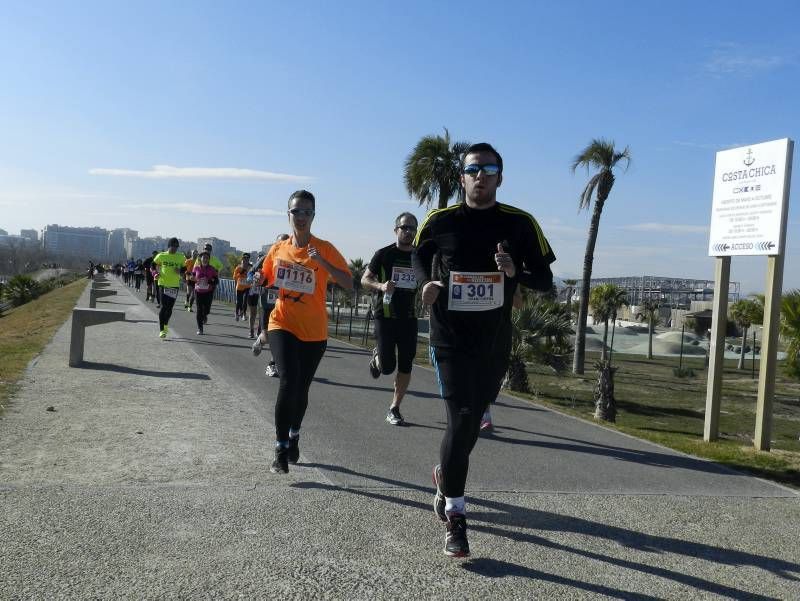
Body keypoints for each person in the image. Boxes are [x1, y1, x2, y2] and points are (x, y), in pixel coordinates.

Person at [412, 143, 555, 558]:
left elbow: (545, 280)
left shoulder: (520, 224)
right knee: (460, 418)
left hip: (493, 343)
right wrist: (426, 284)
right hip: (450, 338)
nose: (481, 176)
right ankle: (457, 516)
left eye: (489, 169)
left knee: (471, 423)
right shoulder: (441, 221)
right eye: (473, 169)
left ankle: (444, 474)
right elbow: (420, 258)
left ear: (500, 177)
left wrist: (516, 272)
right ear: (462, 177)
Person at [259, 190, 352, 474]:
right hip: (282, 322)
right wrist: (258, 278)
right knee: (288, 380)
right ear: (288, 214)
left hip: (313, 331)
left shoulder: (324, 248)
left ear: (313, 215)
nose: (301, 217)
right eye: (296, 211)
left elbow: (349, 283)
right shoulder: (278, 249)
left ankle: (294, 434)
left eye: (306, 212)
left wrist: (321, 262)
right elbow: (265, 278)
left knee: (301, 389)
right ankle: (279, 448)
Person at [362, 212, 420, 426]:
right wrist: (381, 286)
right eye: (404, 227)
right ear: (396, 230)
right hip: (385, 314)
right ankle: (378, 356)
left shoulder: (419, 255)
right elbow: (364, 279)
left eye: (412, 228)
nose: (408, 232)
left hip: (409, 317)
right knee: (387, 367)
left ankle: (394, 408)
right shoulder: (384, 254)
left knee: (406, 364)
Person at [252, 235, 290, 377]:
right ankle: (260, 340)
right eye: (280, 242)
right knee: (267, 335)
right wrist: (257, 279)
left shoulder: (291, 259)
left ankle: (272, 364)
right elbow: (252, 274)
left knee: (281, 337)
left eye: (286, 242)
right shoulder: (267, 258)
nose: (282, 245)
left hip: (284, 306)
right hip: (267, 303)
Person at [153, 237, 187, 339]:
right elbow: (153, 265)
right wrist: (155, 273)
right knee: (163, 307)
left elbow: (185, 268)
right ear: (169, 246)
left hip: (174, 285)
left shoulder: (181, 257)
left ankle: (166, 325)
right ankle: (161, 330)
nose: (175, 248)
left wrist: (180, 270)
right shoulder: (161, 256)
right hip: (163, 283)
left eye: (177, 247)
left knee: (169, 308)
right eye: (173, 246)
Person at [191, 250, 218, 335]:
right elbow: (191, 276)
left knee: (206, 310)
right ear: (200, 259)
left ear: (209, 259)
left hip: (208, 292)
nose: (205, 259)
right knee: (199, 310)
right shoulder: (196, 268)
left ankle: (205, 315)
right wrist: (192, 279)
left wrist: (210, 282)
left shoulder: (212, 269)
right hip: (198, 291)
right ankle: (200, 328)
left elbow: (216, 280)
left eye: (207, 258)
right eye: (203, 257)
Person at [201, 243, 224, 322]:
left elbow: (221, 266)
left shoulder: (214, 259)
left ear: (211, 251)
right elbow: (195, 268)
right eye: (205, 249)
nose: (207, 250)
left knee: (209, 300)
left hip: (211, 283)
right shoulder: (199, 258)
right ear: (203, 250)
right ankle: (202, 314)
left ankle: (205, 314)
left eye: (209, 249)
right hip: (201, 282)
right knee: (201, 300)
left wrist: (217, 271)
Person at [233, 253, 253, 324]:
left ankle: (244, 314)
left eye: (247, 259)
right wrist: (240, 273)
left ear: (248, 260)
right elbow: (234, 277)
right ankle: (237, 313)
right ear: (242, 260)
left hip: (247, 286)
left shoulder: (251, 268)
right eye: (244, 259)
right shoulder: (238, 267)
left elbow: (253, 275)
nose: (245, 261)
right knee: (239, 301)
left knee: (245, 300)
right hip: (239, 287)